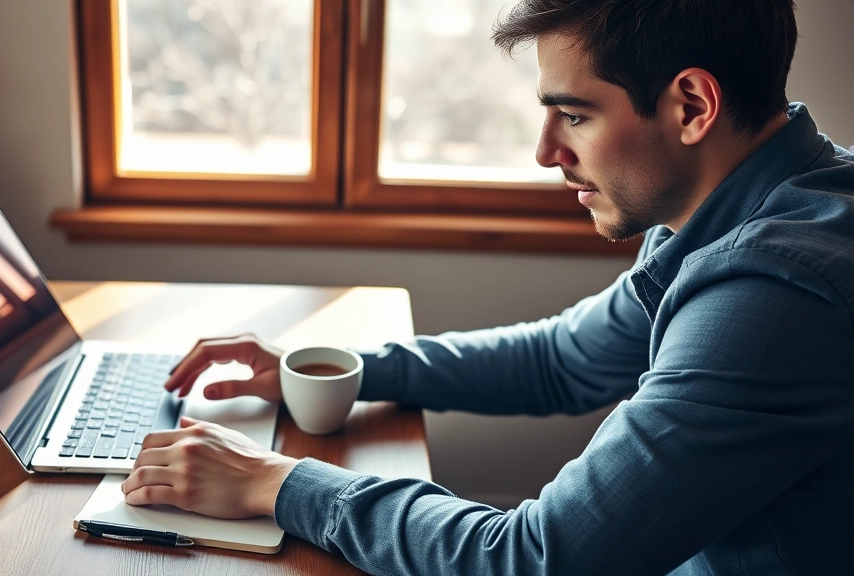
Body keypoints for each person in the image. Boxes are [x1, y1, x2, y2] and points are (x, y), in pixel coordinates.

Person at [119, 1, 854, 573]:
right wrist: (333, 370)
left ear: (692, 106)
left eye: (574, 114)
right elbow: (562, 360)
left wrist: (278, 485)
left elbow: (536, 559)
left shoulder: (777, 294)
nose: (545, 153)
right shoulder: (737, 205)